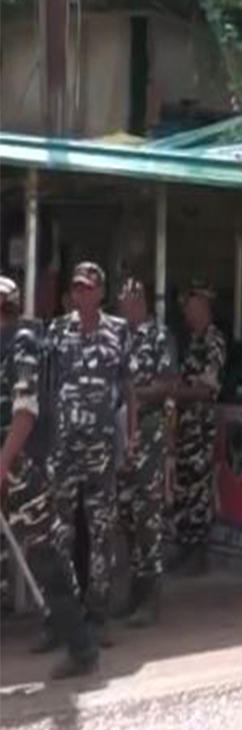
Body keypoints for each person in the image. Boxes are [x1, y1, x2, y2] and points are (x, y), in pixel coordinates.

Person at [0, 275, 99, 677]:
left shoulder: (22, 343)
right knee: (42, 556)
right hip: (14, 463)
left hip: (25, 467)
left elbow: (25, 412)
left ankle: (81, 647)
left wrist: (3, 464)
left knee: (45, 556)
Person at [43, 261, 130, 637]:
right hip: (64, 447)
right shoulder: (57, 330)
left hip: (101, 448)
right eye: (76, 288)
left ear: (101, 292)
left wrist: (130, 436)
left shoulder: (119, 330)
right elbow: (47, 386)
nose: (81, 294)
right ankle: (61, 617)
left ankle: (98, 615)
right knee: (60, 533)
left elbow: (127, 385)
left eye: (88, 288)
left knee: (101, 531)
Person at [114, 277, 174, 625]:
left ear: (139, 301)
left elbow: (167, 384)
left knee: (147, 514)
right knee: (125, 514)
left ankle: (151, 597)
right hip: (123, 433)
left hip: (148, 432)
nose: (122, 306)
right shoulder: (118, 336)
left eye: (126, 300)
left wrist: (135, 394)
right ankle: (134, 592)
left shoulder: (158, 337)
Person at [171, 281, 225, 574]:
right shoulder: (193, 340)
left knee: (198, 492)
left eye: (191, 308)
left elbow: (207, 389)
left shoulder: (213, 341)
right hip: (185, 428)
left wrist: (174, 392)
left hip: (201, 430)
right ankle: (185, 549)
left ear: (203, 308)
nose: (187, 314)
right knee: (184, 492)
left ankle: (198, 555)